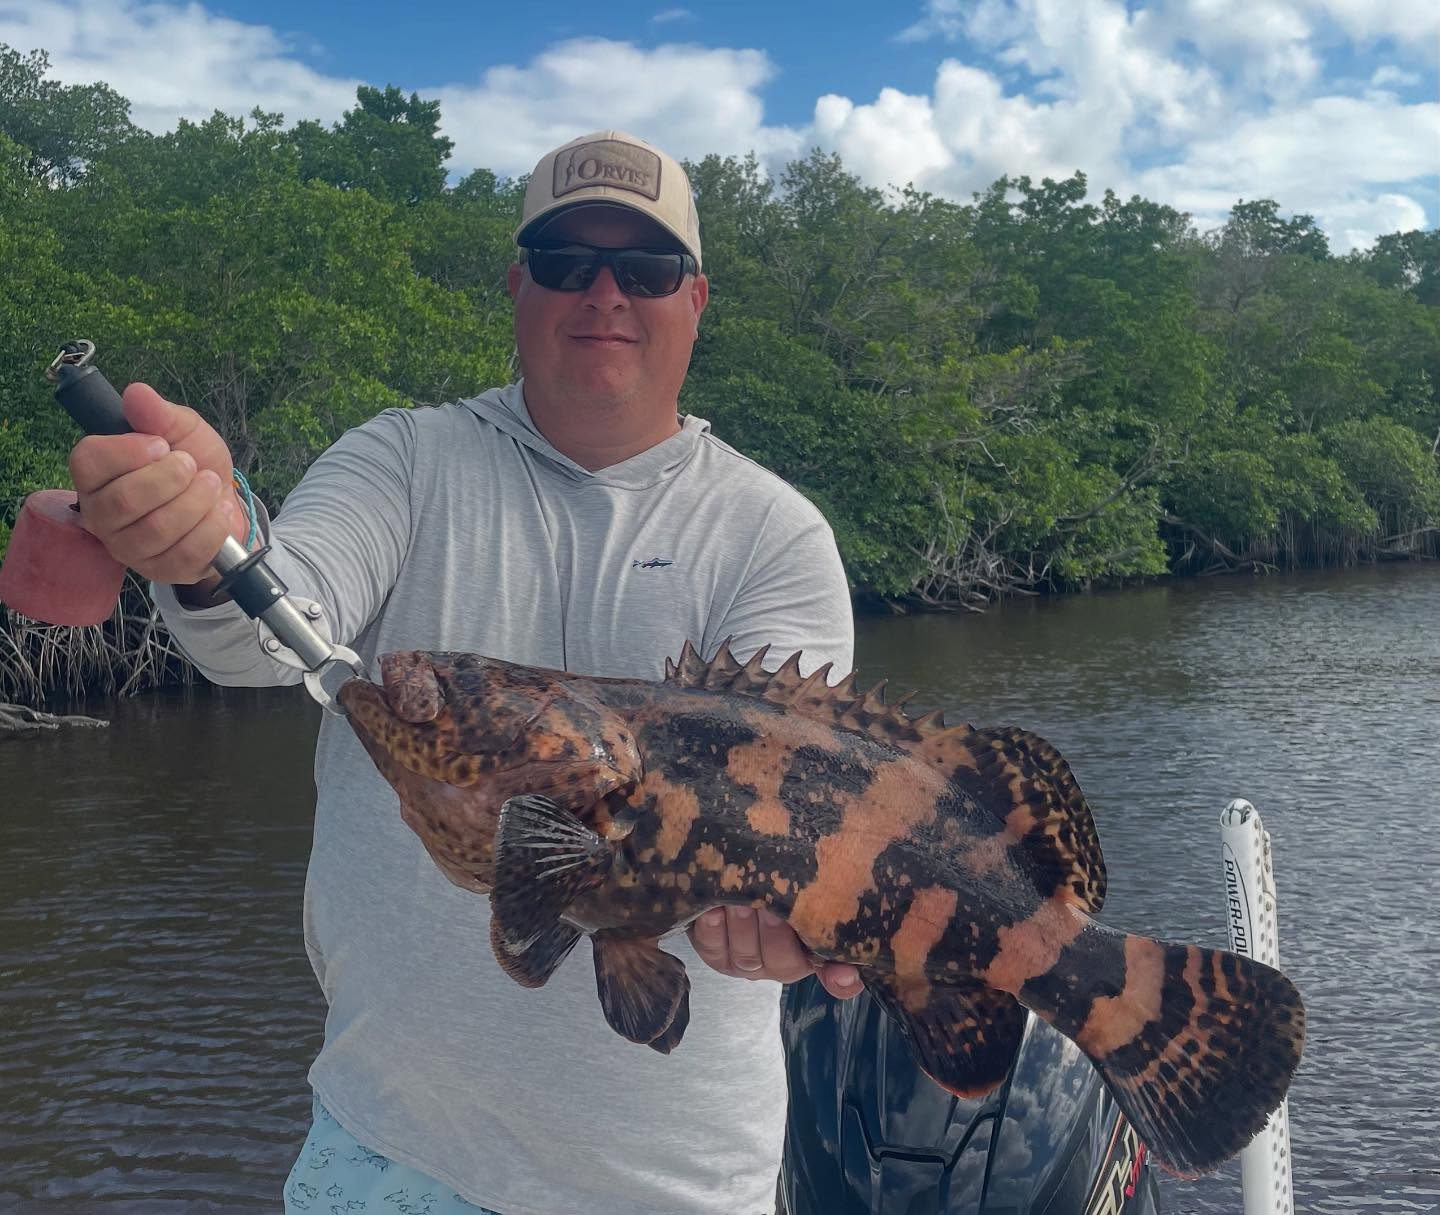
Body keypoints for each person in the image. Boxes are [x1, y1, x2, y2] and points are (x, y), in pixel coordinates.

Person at [69, 130, 863, 1215]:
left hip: (675, 1182)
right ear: (516, 284)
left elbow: (805, 804)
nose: (604, 293)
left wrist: (782, 930)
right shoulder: (403, 458)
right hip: (388, 1148)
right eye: (565, 260)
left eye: (644, 268)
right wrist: (203, 546)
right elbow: (266, 632)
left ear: (695, 298)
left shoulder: (777, 534)